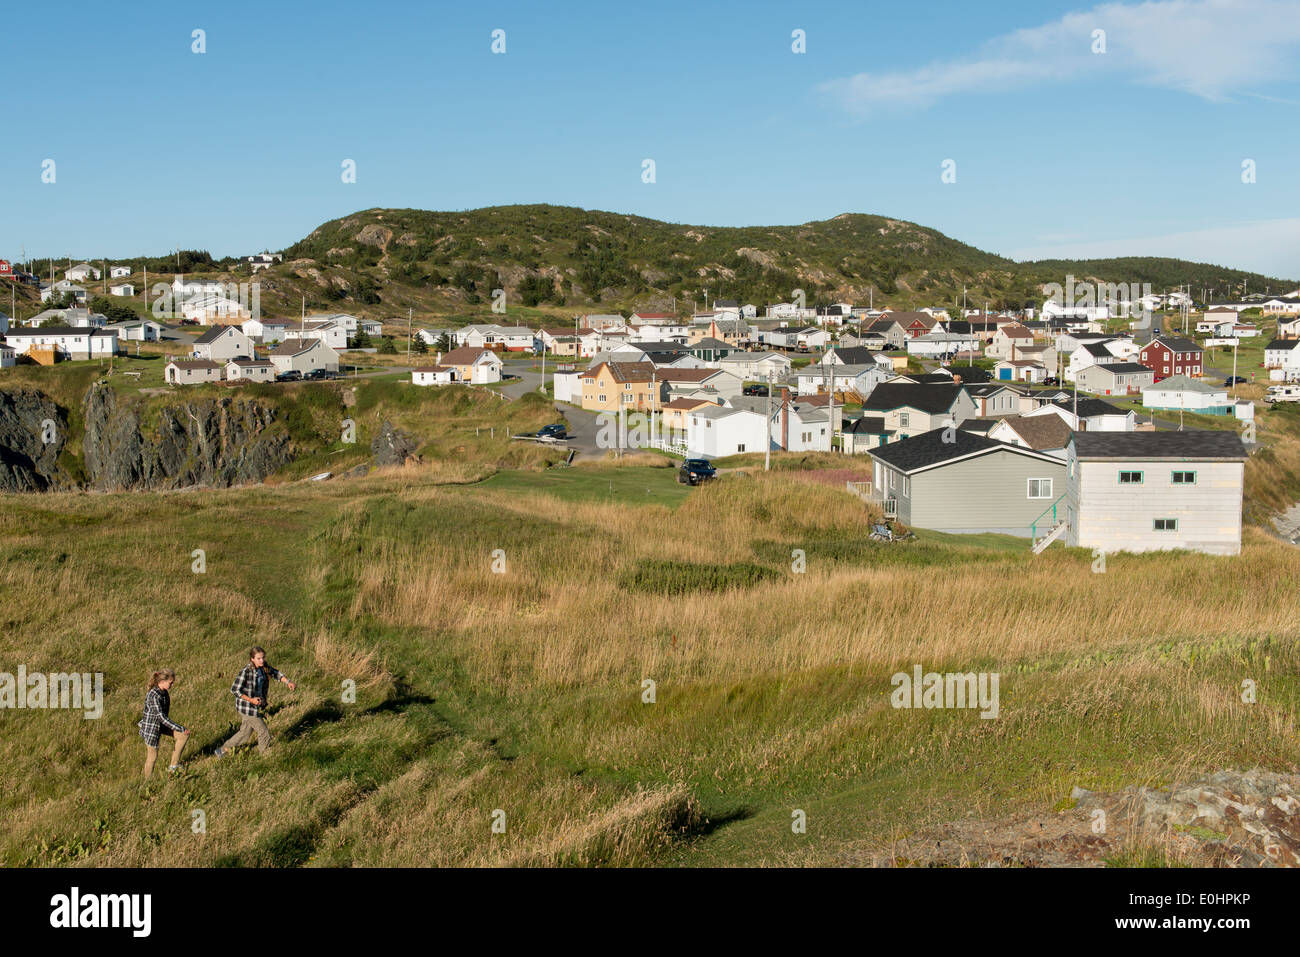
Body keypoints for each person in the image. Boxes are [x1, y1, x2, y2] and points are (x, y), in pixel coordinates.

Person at [214, 646, 295, 756]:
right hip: (246, 707)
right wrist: (251, 700)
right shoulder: (246, 671)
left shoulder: (263, 667)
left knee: (244, 733)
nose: (262, 660)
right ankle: (264, 755)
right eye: (258, 658)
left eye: (263, 658)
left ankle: (222, 750)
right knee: (264, 732)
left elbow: (275, 673)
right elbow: (234, 689)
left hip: (254, 706)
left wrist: (288, 682)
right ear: (252, 659)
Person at [139, 669, 189, 776]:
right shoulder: (153, 695)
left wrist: (181, 730)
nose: (172, 684)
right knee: (152, 757)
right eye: (171, 682)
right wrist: (180, 727)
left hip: (161, 725)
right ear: (162, 682)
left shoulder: (164, 693)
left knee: (183, 736)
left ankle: (173, 766)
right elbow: (161, 717)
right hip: (151, 728)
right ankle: (147, 781)